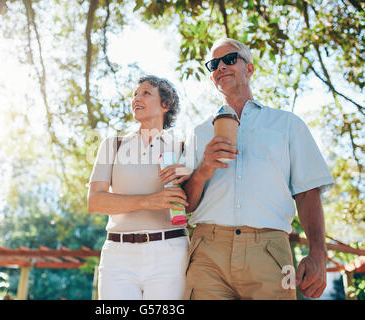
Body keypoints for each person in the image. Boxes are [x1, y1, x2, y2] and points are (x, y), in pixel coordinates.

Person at [181, 38, 335, 300]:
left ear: (249, 69)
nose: (221, 67)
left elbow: (307, 193)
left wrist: (318, 253)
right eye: (213, 64)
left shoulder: (287, 124)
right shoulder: (198, 132)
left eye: (230, 59)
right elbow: (185, 204)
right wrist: (205, 168)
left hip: (271, 251)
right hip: (208, 253)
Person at [87, 75, 191, 300]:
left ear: (166, 104)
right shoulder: (112, 146)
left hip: (170, 253)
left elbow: (195, 205)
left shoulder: (184, 150)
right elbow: (95, 202)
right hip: (118, 255)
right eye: (135, 94)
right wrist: (148, 201)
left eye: (146, 93)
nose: (136, 98)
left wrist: (191, 175)